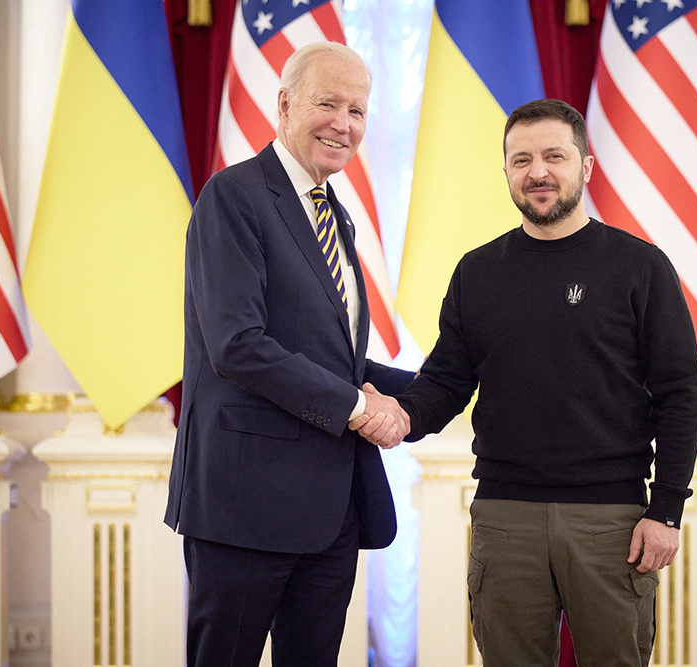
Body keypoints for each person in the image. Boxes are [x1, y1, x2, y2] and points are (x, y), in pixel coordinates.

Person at [395, 99, 697, 666]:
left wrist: (665, 510)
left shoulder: (641, 267)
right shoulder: (477, 272)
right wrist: (399, 416)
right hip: (504, 518)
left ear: (586, 166)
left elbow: (681, 397)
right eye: (522, 160)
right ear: (507, 172)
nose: (538, 172)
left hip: (613, 522)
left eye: (554, 156)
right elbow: (446, 380)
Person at [164, 42, 413, 667]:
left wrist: (445, 384)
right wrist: (360, 410)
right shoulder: (234, 196)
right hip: (244, 506)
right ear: (283, 103)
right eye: (327, 103)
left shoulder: (336, 217)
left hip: (330, 513)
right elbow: (239, 346)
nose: (344, 124)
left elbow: (335, 362)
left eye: (357, 111)